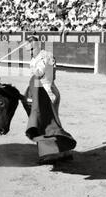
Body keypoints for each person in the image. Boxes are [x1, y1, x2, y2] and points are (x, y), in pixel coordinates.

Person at [21, 35, 77, 164]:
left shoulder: (46, 55)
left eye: (27, 45)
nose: (25, 48)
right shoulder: (35, 58)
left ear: (33, 45)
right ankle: (63, 152)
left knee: (49, 125)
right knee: (49, 123)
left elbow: (39, 74)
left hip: (48, 92)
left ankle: (53, 154)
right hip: (41, 93)